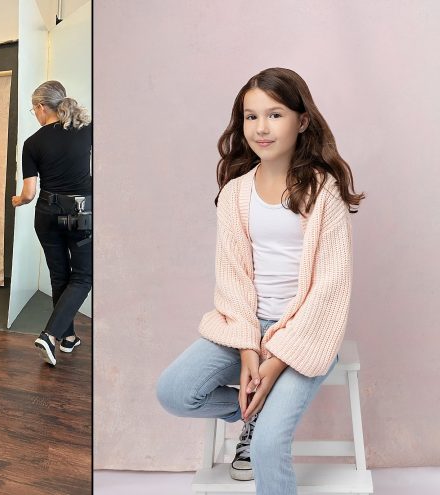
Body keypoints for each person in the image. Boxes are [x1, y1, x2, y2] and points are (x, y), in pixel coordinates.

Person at [155, 68, 364, 494]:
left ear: (302, 121)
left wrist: (276, 360)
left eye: (275, 115)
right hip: (245, 328)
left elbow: (330, 289)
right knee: (174, 392)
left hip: (306, 335)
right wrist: (250, 350)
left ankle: (260, 424)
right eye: (251, 117)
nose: (261, 128)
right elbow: (231, 276)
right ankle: (249, 415)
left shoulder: (322, 193)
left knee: (269, 444)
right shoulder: (235, 193)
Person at [12, 80, 92, 366]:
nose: (35, 114)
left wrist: (17, 200)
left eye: (34, 109)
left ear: (42, 107)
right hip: (81, 215)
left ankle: (67, 338)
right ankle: (52, 335)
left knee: (60, 276)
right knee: (83, 277)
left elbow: (29, 193)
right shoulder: (89, 131)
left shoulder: (33, 143)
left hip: (47, 214)